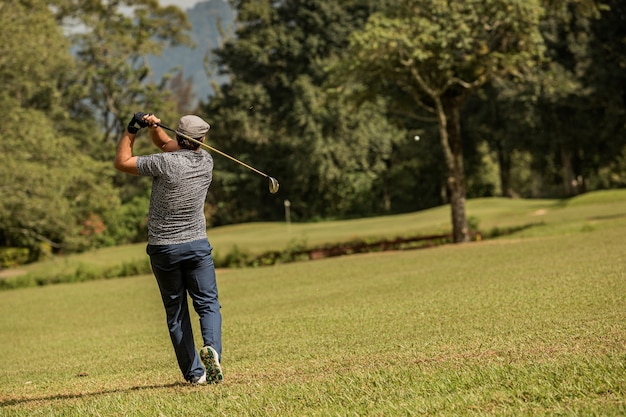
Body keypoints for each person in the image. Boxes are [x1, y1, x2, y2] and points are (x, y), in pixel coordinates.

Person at [114, 112, 223, 385]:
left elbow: (122, 162)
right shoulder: (206, 160)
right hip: (197, 246)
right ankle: (213, 351)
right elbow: (166, 145)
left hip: (165, 249)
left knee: (176, 312)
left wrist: (132, 129)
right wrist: (153, 128)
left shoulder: (164, 164)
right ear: (202, 140)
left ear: (178, 135)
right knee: (208, 304)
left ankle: (195, 374)